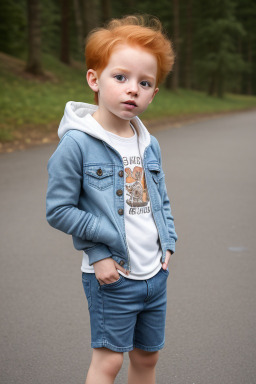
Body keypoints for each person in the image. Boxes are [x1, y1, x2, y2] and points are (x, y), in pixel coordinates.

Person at [46, 14, 178, 384]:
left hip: (155, 272)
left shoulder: (148, 143)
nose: (132, 88)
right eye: (120, 77)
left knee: (147, 359)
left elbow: (160, 198)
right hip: (113, 276)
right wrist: (98, 252)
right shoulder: (77, 144)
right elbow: (59, 210)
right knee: (108, 363)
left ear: (154, 93)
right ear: (95, 79)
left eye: (144, 82)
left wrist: (168, 241)